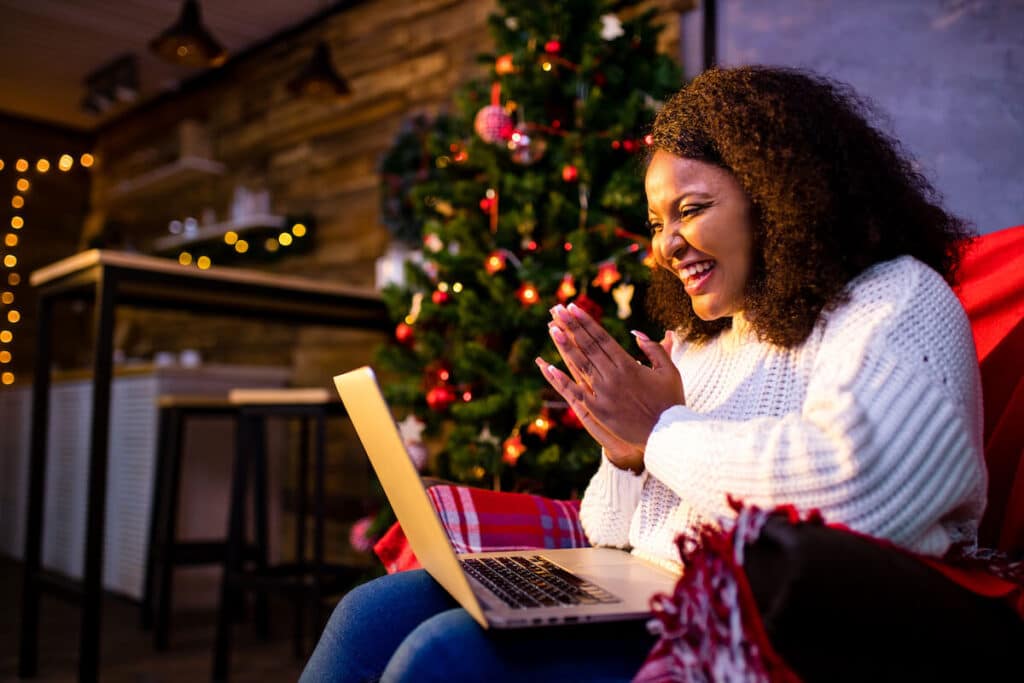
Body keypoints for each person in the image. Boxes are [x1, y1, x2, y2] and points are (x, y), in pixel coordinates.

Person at [301, 65, 986, 683]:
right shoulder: (702, 337)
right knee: (371, 612)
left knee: (444, 655)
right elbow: (609, 526)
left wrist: (661, 431)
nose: (666, 246)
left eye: (690, 210)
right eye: (657, 222)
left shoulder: (897, 301)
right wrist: (625, 451)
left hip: (773, 632)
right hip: (645, 591)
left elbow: (854, 491)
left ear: (782, 197)